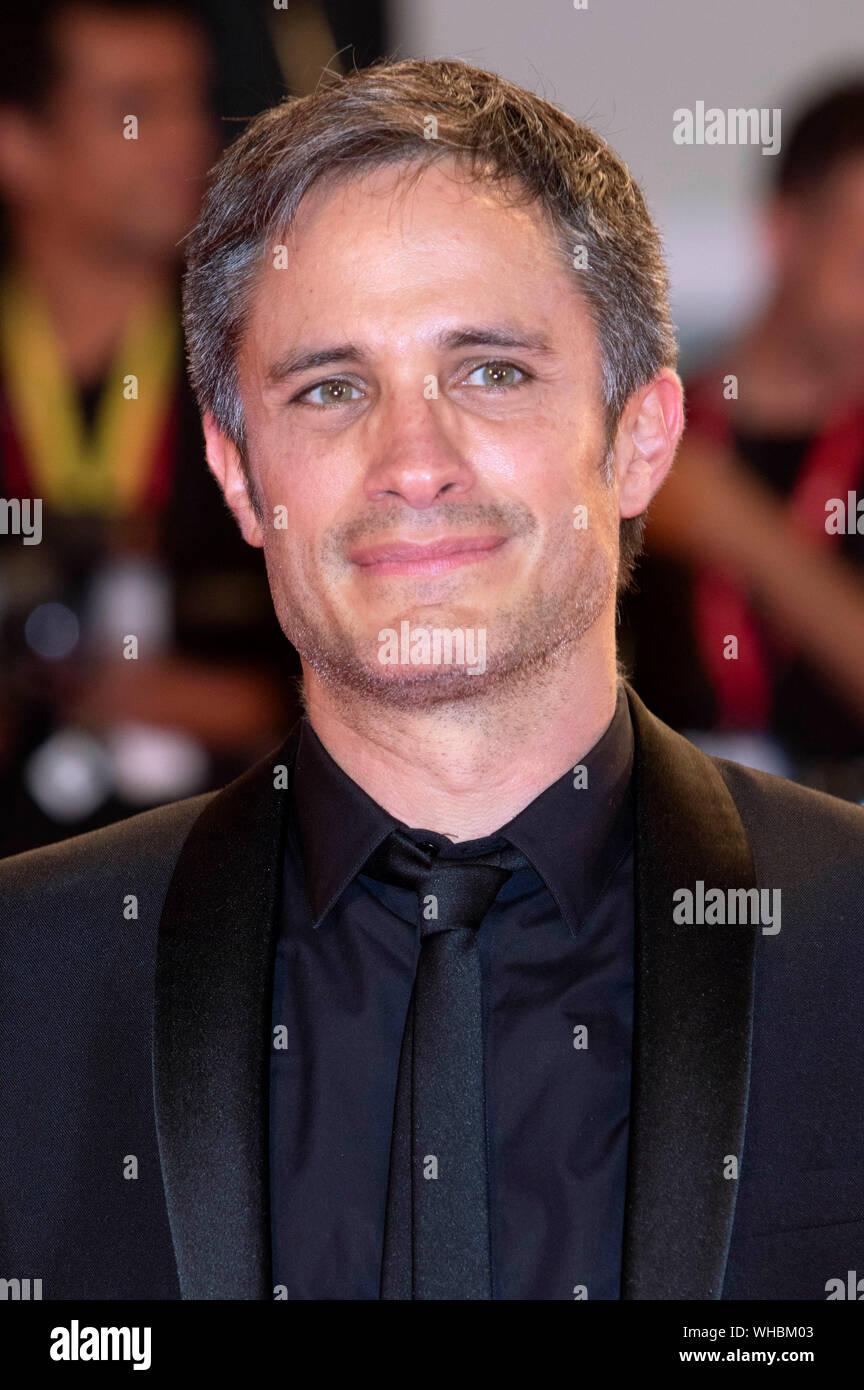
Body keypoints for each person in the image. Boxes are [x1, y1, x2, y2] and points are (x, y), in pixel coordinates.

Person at [1, 57, 862, 1302]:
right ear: (240, 477)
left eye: (491, 371)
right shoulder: (31, 977)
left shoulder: (844, 942)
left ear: (640, 438)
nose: (414, 460)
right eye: (333, 387)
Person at [0, 0, 300, 856]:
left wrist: (221, 700)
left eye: (189, 102)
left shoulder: (275, 366)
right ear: (17, 143)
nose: (185, 140)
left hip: (219, 887)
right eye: (135, 107)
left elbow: (375, 655)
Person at [618, 80, 864, 801]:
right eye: (860, 263)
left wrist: (734, 525)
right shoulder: (645, 429)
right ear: (785, 233)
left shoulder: (697, 479)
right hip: (662, 852)